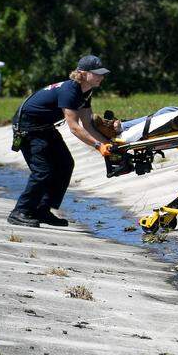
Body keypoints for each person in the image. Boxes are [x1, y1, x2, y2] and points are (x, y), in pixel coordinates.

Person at [8, 55, 116, 227]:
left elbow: (87, 123)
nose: (101, 77)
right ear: (82, 73)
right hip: (28, 127)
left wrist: (110, 144)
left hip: (44, 126)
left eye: (102, 73)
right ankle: (20, 211)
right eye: (97, 74)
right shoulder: (70, 90)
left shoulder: (86, 91)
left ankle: (42, 210)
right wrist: (98, 146)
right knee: (43, 171)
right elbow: (74, 127)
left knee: (65, 164)